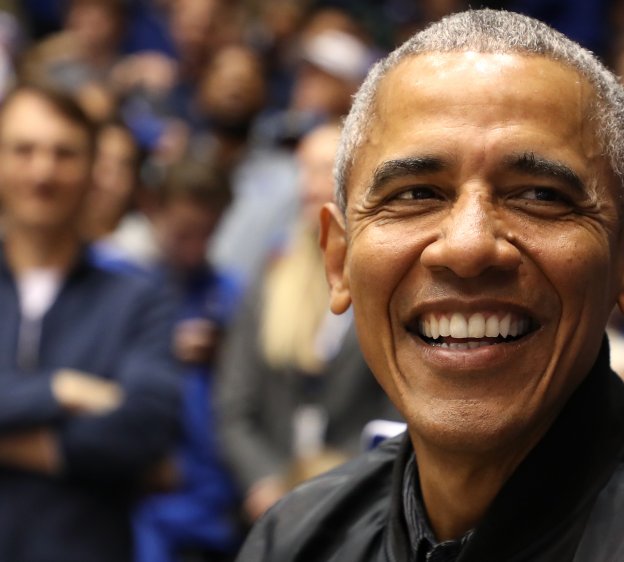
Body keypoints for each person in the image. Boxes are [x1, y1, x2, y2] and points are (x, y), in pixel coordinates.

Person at [237, 10, 624, 561]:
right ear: (339, 261)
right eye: (416, 194)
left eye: (539, 196)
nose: (470, 246)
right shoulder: (297, 539)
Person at [0, 83, 180, 561]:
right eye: (23, 150)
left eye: (63, 153)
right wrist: (60, 390)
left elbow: (142, 432)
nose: (43, 170)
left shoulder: (137, 297)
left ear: (91, 170)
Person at [216, 123, 398, 524]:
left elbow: (398, 405)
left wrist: (345, 484)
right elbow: (235, 407)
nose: (310, 186)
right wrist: (264, 484)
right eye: (305, 170)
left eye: (324, 171)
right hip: (273, 501)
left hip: (362, 501)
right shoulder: (268, 280)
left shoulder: (387, 284)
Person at [131, 159, 243, 562]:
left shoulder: (232, 293)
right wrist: (161, 347)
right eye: (182, 235)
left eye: (206, 235)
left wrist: (225, 352)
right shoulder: (124, 291)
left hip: (219, 494)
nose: (195, 250)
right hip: (148, 491)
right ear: (153, 211)